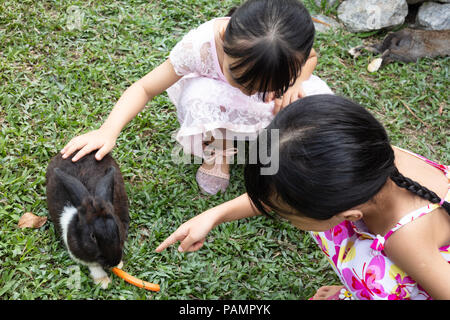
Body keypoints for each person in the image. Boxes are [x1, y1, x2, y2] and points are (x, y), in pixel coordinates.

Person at [156, 94, 450, 300]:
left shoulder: (406, 241)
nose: (278, 214)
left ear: (348, 216)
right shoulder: (365, 156)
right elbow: (286, 187)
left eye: (287, 214)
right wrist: (214, 214)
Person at [60, 0, 332, 195]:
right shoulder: (199, 46)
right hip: (218, 104)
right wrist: (108, 130)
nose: (250, 92)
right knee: (200, 95)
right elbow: (144, 88)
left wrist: (295, 83)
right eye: (242, 80)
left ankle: (272, 153)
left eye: (263, 85)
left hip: (268, 108)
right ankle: (219, 152)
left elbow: (311, 57)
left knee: (317, 101)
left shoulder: (290, 51)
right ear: (225, 39)